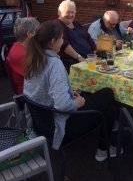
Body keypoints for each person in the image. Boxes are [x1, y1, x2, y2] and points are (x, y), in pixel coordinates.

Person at [23, 20, 117, 161]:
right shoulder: (54, 64)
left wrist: (68, 93)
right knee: (108, 94)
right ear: (53, 42)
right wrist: (76, 103)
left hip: (40, 123)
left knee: (108, 108)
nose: (63, 41)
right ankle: (104, 148)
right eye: (61, 38)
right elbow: (63, 106)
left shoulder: (33, 59)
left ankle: (104, 148)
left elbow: (38, 91)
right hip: (61, 126)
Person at [57, 0, 96, 72]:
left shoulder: (76, 23)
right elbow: (64, 45)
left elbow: (88, 37)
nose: (70, 15)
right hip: (74, 63)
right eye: (67, 12)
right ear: (59, 12)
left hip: (89, 59)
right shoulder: (58, 25)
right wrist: (79, 58)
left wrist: (95, 53)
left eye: (73, 12)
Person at [6, 17, 40, 96]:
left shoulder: (17, 46)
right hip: (29, 95)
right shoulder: (24, 55)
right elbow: (38, 79)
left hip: (28, 90)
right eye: (38, 32)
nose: (40, 35)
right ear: (29, 34)